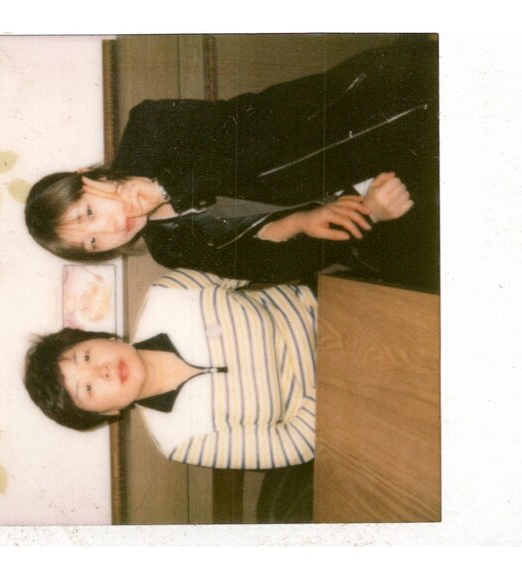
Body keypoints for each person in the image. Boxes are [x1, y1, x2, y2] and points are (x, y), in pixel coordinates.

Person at [26, 37, 439, 290]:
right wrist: (325, 220)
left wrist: (163, 187)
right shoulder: (168, 248)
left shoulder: (150, 126)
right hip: (377, 204)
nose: (111, 229)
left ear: (86, 177)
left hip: (384, 113)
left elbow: (261, 133)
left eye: (89, 213)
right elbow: (276, 265)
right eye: (93, 243)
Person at [24, 269, 318, 470]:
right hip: (336, 403)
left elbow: (260, 258)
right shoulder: (179, 441)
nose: (102, 370)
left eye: (86, 356)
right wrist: (333, 382)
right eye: (88, 388)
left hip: (328, 304)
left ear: (102, 338)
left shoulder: (171, 292)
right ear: (107, 413)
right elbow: (293, 445)